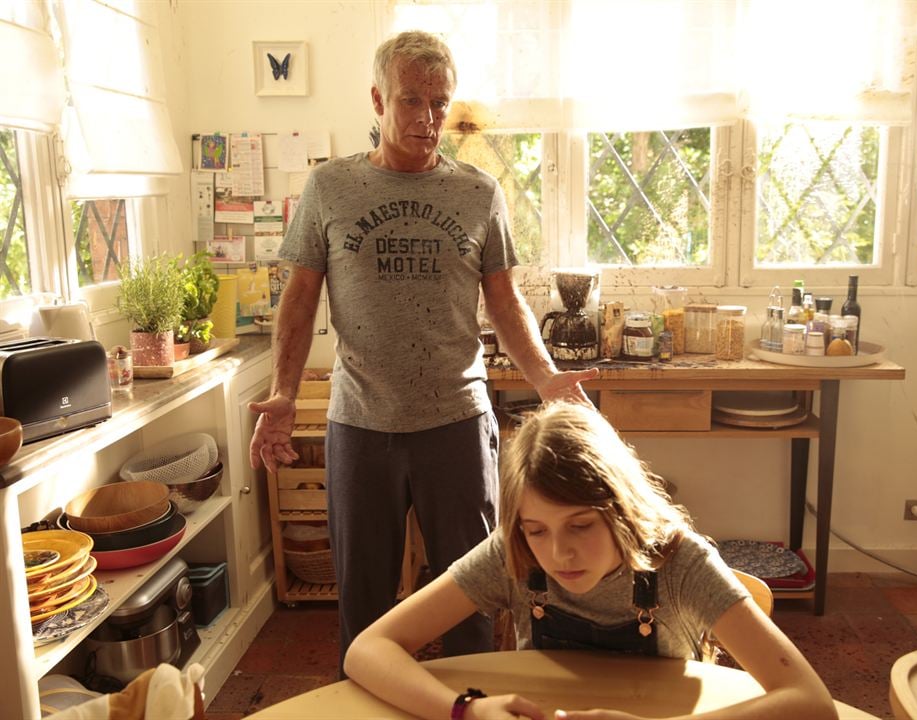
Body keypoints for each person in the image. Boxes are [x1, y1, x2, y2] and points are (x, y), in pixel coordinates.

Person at [248, 30, 597, 670]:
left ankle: (473, 704)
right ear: (378, 100)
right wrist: (283, 395)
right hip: (360, 424)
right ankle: (371, 703)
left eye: (440, 102)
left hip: (457, 425)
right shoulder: (330, 188)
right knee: (365, 601)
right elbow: (299, 298)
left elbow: (505, 301)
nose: (428, 118)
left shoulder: (479, 193)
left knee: (473, 593)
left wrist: (546, 379)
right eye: (412, 101)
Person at [344, 401, 839, 720]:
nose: (558, 553)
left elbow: (812, 703)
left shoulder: (682, 562)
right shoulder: (512, 550)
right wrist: (466, 711)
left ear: (621, 512)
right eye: (537, 531)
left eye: (581, 526)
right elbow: (367, 651)